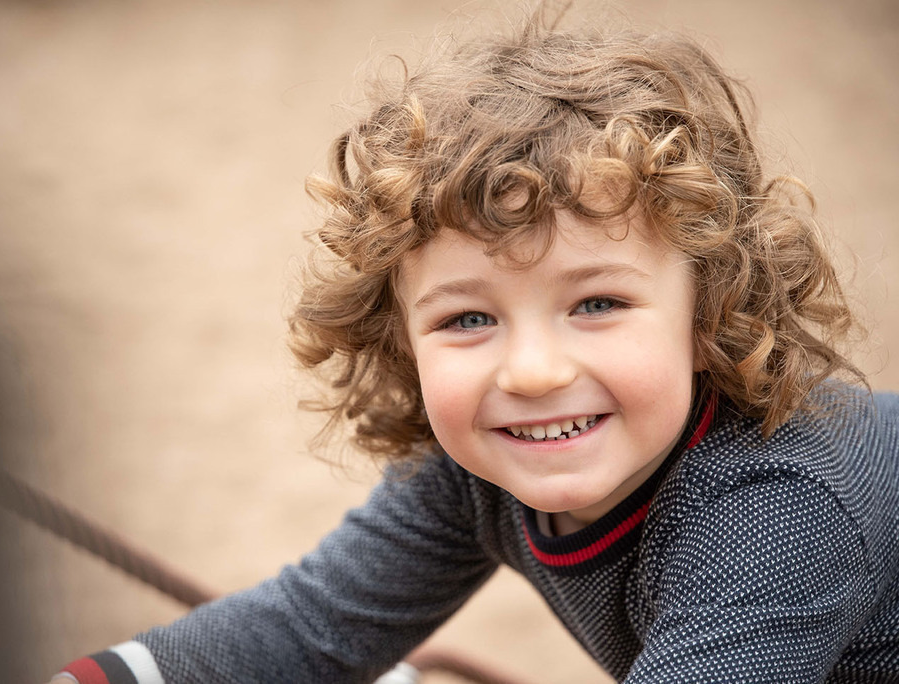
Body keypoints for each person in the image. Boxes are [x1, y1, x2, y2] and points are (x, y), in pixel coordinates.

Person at [50, 7, 899, 683]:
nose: (532, 373)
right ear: (400, 340)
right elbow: (307, 631)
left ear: (710, 318)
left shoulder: (779, 507)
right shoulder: (474, 465)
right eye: (467, 320)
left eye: (597, 302)